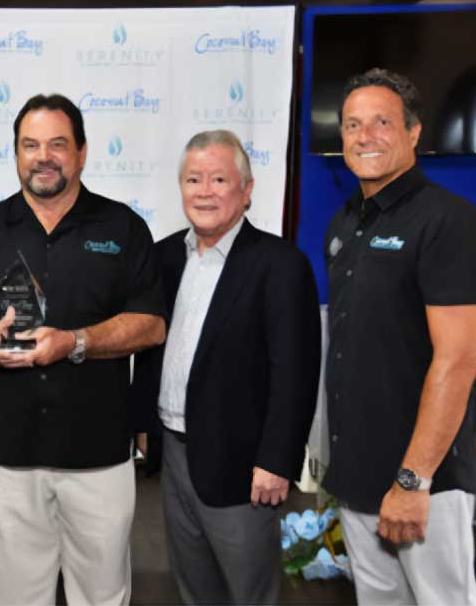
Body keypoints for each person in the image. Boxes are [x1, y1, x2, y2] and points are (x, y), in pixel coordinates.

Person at [0, 93, 166, 605]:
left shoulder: (122, 227)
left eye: (58, 144)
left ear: (82, 152)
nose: (44, 156)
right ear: (15, 153)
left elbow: (151, 326)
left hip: (100, 455)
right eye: (30, 145)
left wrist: (75, 342)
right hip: (8, 455)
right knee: (15, 597)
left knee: (102, 595)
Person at [323, 68, 476, 605]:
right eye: (352, 125)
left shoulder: (448, 222)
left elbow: (457, 360)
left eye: (381, 122)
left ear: (414, 132)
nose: (364, 136)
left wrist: (413, 479)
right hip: (358, 475)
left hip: (423, 482)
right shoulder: (346, 222)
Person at [131, 130, 320, 605]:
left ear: (247, 189)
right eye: (193, 179)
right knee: (193, 587)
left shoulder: (280, 265)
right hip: (174, 454)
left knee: (249, 592)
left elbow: (294, 373)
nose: (205, 190)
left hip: (244, 466)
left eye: (219, 178)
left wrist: (276, 462)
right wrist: (143, 424)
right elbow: (150, 347)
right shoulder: (163, 256)